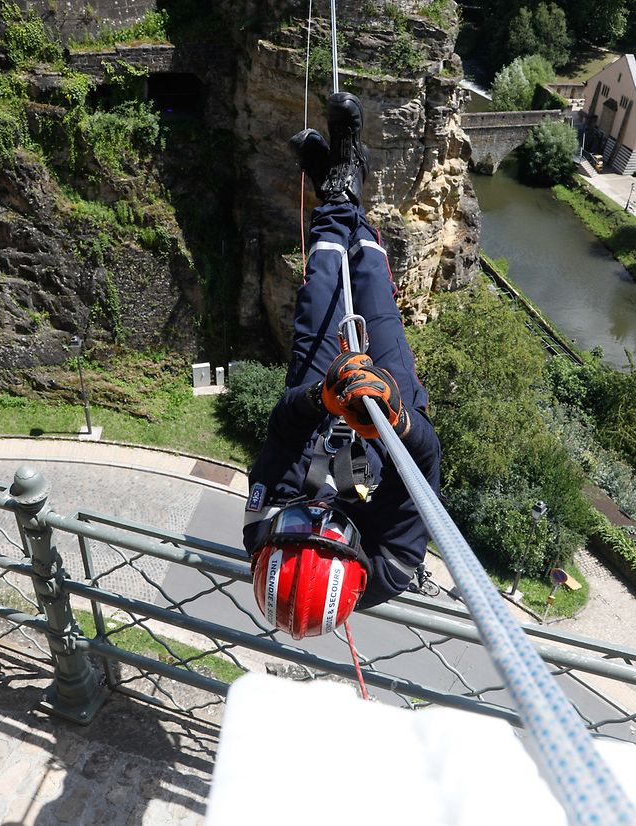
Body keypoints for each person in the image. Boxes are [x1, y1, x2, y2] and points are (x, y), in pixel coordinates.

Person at [243, 92, 442, 639]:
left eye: (298, 521)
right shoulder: (392, 565)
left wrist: (320, 401)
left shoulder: (263, 532)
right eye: (324, 523)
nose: (314, 510)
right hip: (389, 424)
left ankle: (333, 188)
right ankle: (344, 180)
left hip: (317, 412)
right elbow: (423, 467)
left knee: (324, 283)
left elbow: (281, 430)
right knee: (373, 284)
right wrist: (396, 417)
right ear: (353, 554)